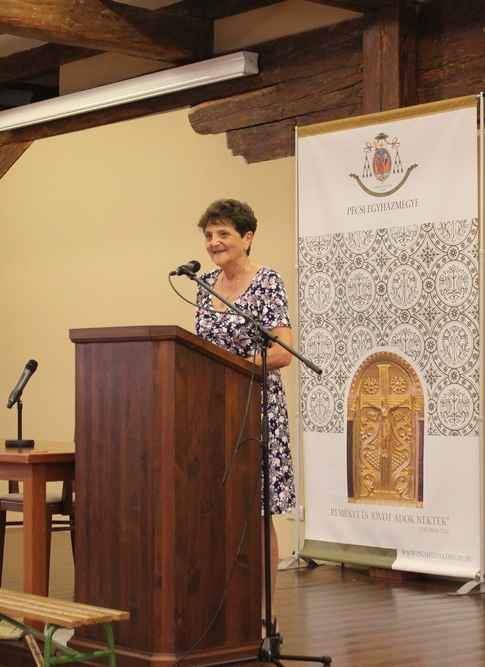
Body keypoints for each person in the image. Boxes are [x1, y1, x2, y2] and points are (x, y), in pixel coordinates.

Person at [194, 198, 295, 623]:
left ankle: (262, 613)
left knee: (256, 512)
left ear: (247, 237)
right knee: (215, 509)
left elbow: (282, 351)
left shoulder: (266, 281)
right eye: (208, 235)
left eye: (223, 234)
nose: (214, 242)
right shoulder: (204, 285)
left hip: (256, 408)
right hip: (210, 410)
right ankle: (221, 610)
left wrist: (234, 366)